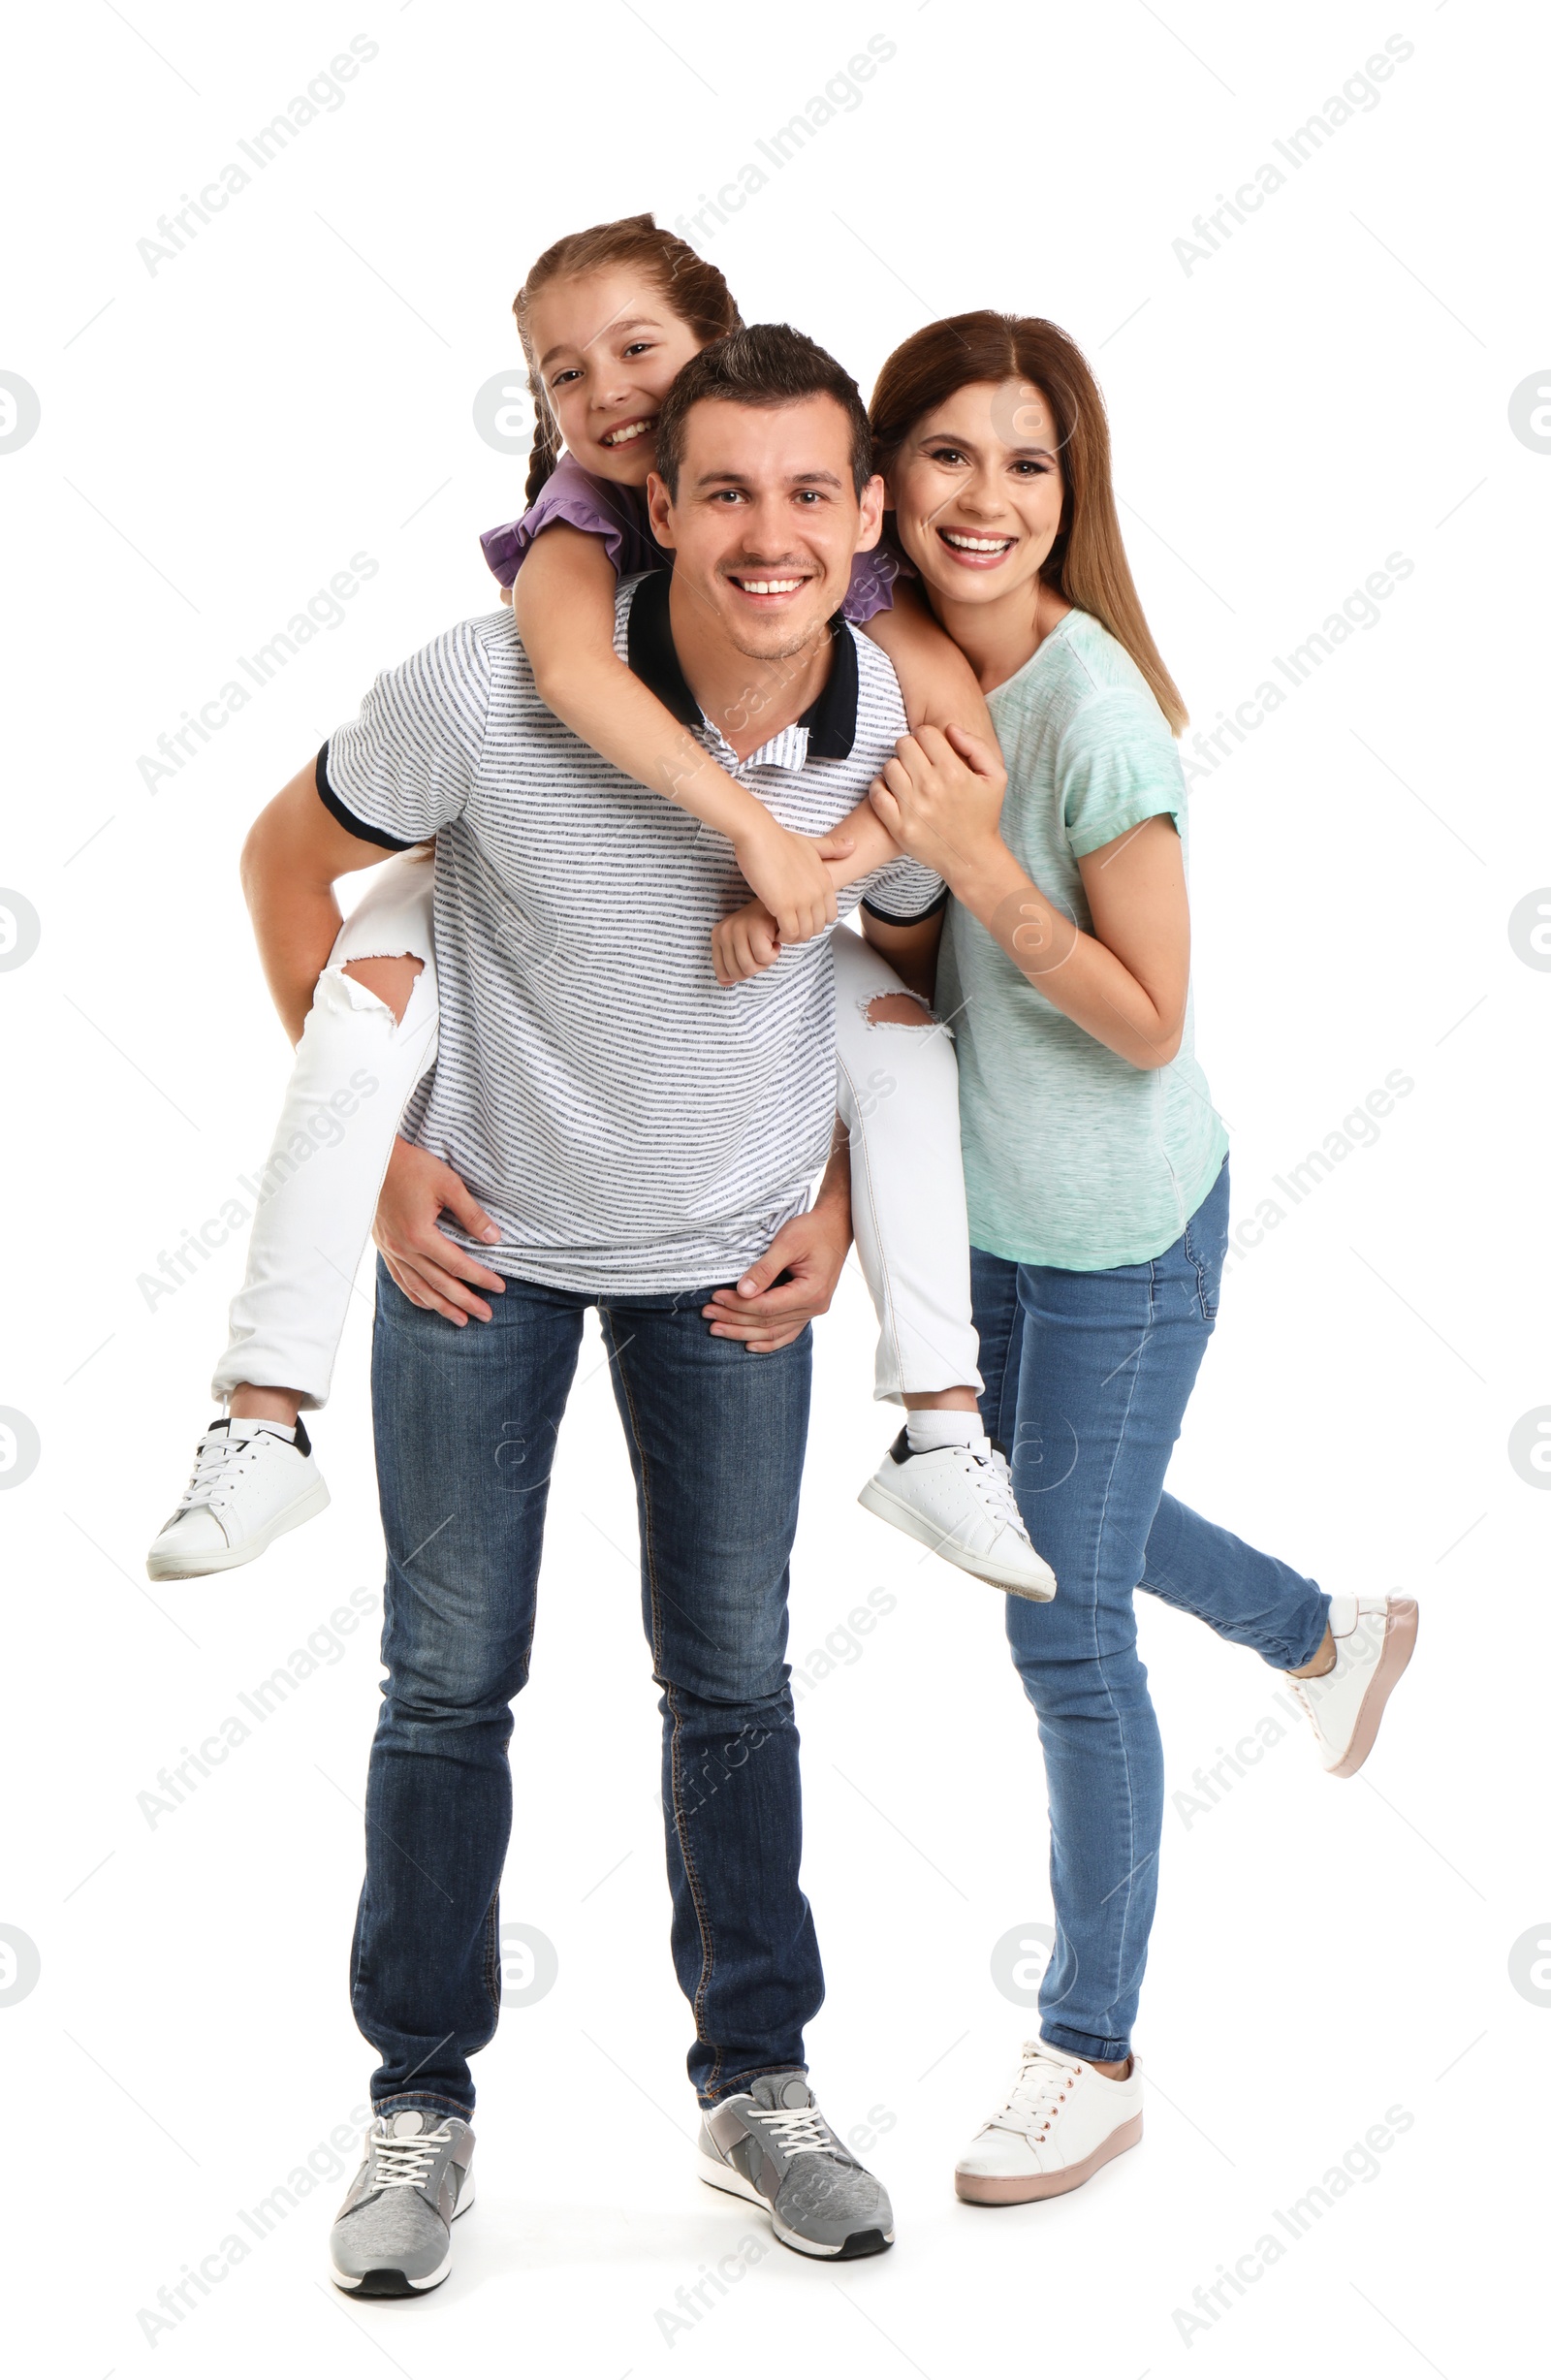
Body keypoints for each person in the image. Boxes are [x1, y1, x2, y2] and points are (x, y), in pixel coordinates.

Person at [237, 323, 965, 2292]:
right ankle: (418, 2106)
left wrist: (836, 1206)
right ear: (654, 503)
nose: (767, 532)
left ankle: (756, 2087)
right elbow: (284, 862)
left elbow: (895, 985)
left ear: (867, 514)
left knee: (734, 1678)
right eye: (724, 488)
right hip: (485, 1257)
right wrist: (376, 1152)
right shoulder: (483, 686)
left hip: (729, 1266)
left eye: (811, 492)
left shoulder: (896, 712)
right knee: (444, 1681)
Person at [720, 310, 1419, 2208]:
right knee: (1059, 1519)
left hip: (1118, 1226)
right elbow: (917, 982)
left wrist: (977, 852)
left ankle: (1089, 2048)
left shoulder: (1091, 711)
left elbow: (1143, 1017)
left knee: (1058, 1616)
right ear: (889, 483)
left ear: (1070, 491)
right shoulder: (917, 672)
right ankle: (1319, 1631)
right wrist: (845, 1199)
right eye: (949, 453)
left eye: (1027, 462)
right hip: (997, 1216)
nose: (986, 495)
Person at [145, 213, 1048, 1604]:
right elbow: (564, 679)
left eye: (639, 349)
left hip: (748, 1126)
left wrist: (818, 889)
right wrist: (755, 831)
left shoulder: (824, 558)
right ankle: (262, 1414)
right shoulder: (572, 537)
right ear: (659, 493)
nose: (606, 390)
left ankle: (942, 1424)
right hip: (461, 905)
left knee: (904, 1039)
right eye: (565, 374)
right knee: (361, 1015)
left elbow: (960, 748)